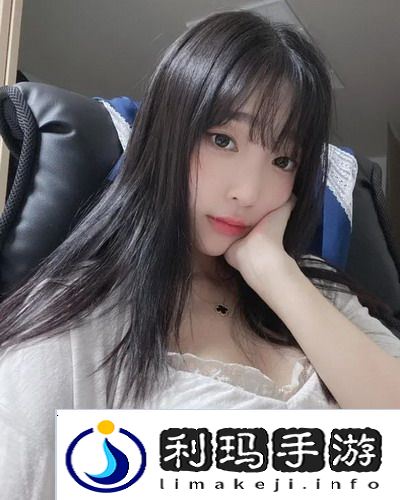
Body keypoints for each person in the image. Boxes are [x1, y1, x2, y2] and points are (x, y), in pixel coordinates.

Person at [0, 9, 400, 499]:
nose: (248, 192)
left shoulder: (314, 287)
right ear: (165, 135)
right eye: (222, 140)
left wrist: (274, 272)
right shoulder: (76, 315)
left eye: (283, 159)